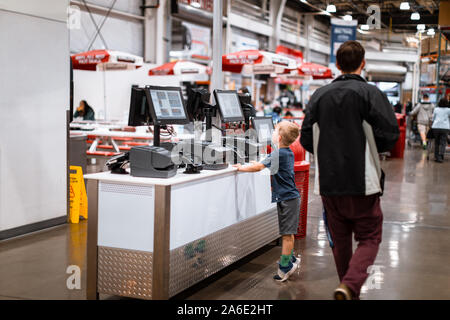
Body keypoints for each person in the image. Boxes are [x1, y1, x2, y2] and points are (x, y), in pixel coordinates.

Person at [300, 41, 399, 300]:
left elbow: (307, 138)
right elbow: (390, 134)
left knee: (340, 239)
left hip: (328, 182)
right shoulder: (371, 94)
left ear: (337, 64)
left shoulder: (318, 96)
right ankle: (350, 285)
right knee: (370, 236)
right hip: (362, 178)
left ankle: (347, 289)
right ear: (362, 63)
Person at [234, 121, 301, 282]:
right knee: (288, 232)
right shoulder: (286, 152)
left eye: (274, 130)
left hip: (287, 199)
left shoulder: (278, 154)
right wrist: (257, 163)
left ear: (278, 137)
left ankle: (284, 268)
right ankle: (291, 259)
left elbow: (258, 168)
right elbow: (264, 164)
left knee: (286, 234)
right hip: (290, 198)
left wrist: (239, 168)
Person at [431, 98, 450, 162]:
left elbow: (433, 118)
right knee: (443, 143)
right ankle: (441, 156)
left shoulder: (436, 109)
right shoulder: (448, 110)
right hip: (445, 128)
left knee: (436, 142)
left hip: (436, 127)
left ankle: (436, 157)